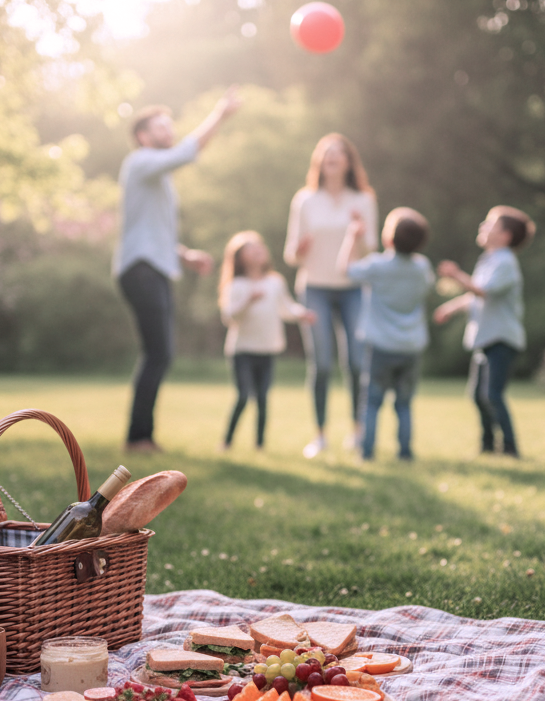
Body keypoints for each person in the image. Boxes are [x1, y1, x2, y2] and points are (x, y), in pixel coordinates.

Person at [113, 87, 242, 453]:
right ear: (143, 136)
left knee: (159, 353)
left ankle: (142, 436)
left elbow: (151, 230)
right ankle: (138, 437)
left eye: (170, 126)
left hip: (151, 266)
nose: (168, 132)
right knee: (159, 353)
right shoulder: (140, 161)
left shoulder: (156, 175)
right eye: (160, 127)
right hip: (141, 269)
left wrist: (184, 255)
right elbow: (189, 150)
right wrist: (219, 114)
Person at [283, 133, 379, 459]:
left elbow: (372, 250)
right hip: (314, 288)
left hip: (353, 289)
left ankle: (357, 431)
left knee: (355, 361)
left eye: (340, 153)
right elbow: (291, 256)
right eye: (327, 153)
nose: (333, 158)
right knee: (321, 364)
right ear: (320, 163)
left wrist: (361, 234)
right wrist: (299, 250)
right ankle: (320, 435)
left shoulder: (363, 200)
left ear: (349, 162)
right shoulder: (305, 200)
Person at [433, 205, 536, 458]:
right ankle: (488, 446)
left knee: (492, 394)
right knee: (478, 395)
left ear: (505, 236)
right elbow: (475, 295)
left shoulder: (505, 262)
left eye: (490, 224)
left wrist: (455, 274)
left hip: (501, 338)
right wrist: (451, 308)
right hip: (486, 337)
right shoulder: (489, 260)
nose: (483, 227)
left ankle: (510, 448)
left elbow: (482, 291)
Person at [338, 208, 434, 461]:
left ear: (388, 239)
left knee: (371, 402)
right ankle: (405, 453)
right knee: (403, 403)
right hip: (411, 346)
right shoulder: (422, 267)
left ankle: (366, 453)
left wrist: (352, 237)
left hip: (380, 346)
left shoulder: (378, 265)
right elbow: (427, 288)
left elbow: (345, 269)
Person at [218, 231, 316, 451]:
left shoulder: (275, 282)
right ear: (240, 257)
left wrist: (302, 314)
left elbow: (286, 307)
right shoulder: (236, 285)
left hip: (268, 349)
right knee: (243, 396)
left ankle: (260, 445)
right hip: (242, 350)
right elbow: (230, 317)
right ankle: (227, 441)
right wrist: (247, 300)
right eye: (251, 248)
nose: (258, 250)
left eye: (259, 247)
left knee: (262, 398)